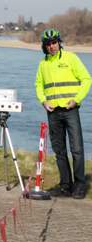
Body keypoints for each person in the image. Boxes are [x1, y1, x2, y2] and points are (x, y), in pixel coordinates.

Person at [35, 28, 91, 199]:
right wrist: (43, 101)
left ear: (59, 42)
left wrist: (77, 99)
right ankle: (66, 186)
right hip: (53, 113)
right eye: (49, 44)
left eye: (54, 42)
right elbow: (38, 84)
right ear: (44, 46)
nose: (52, 46)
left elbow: (87, 79)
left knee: (77, 149)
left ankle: (80, 185)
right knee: (59, 151)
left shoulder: (71, 58)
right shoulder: (43, 64)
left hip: (70, 110)